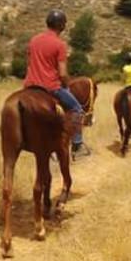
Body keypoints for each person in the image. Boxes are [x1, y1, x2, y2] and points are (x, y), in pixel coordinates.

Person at [23, 10, 89, 157]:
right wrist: (67, 84)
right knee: (77, 109)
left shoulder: (33, 40)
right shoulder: (59, 44)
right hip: (50, 87)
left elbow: (28, 64)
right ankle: (77, 145)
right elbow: (63, 74)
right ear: (61, 25)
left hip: (30, 86)